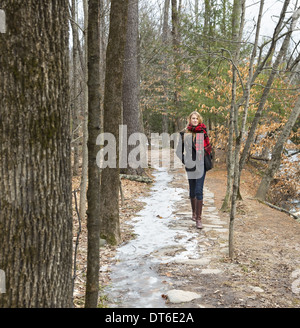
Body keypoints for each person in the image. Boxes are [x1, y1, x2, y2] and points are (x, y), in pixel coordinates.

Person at [176, 111, 212, 229]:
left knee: (198, 191)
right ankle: (194, 213)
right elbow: (178, 151)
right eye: (193, 118)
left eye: (197, 118)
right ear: (190, 120)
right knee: (192, 190)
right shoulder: (184, 133)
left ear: (199, 120)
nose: (195, 120)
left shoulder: (203, 132)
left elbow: (208, 149)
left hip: (201, 165)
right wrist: (185, 161)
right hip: (190, 166)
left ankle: (199, 219)